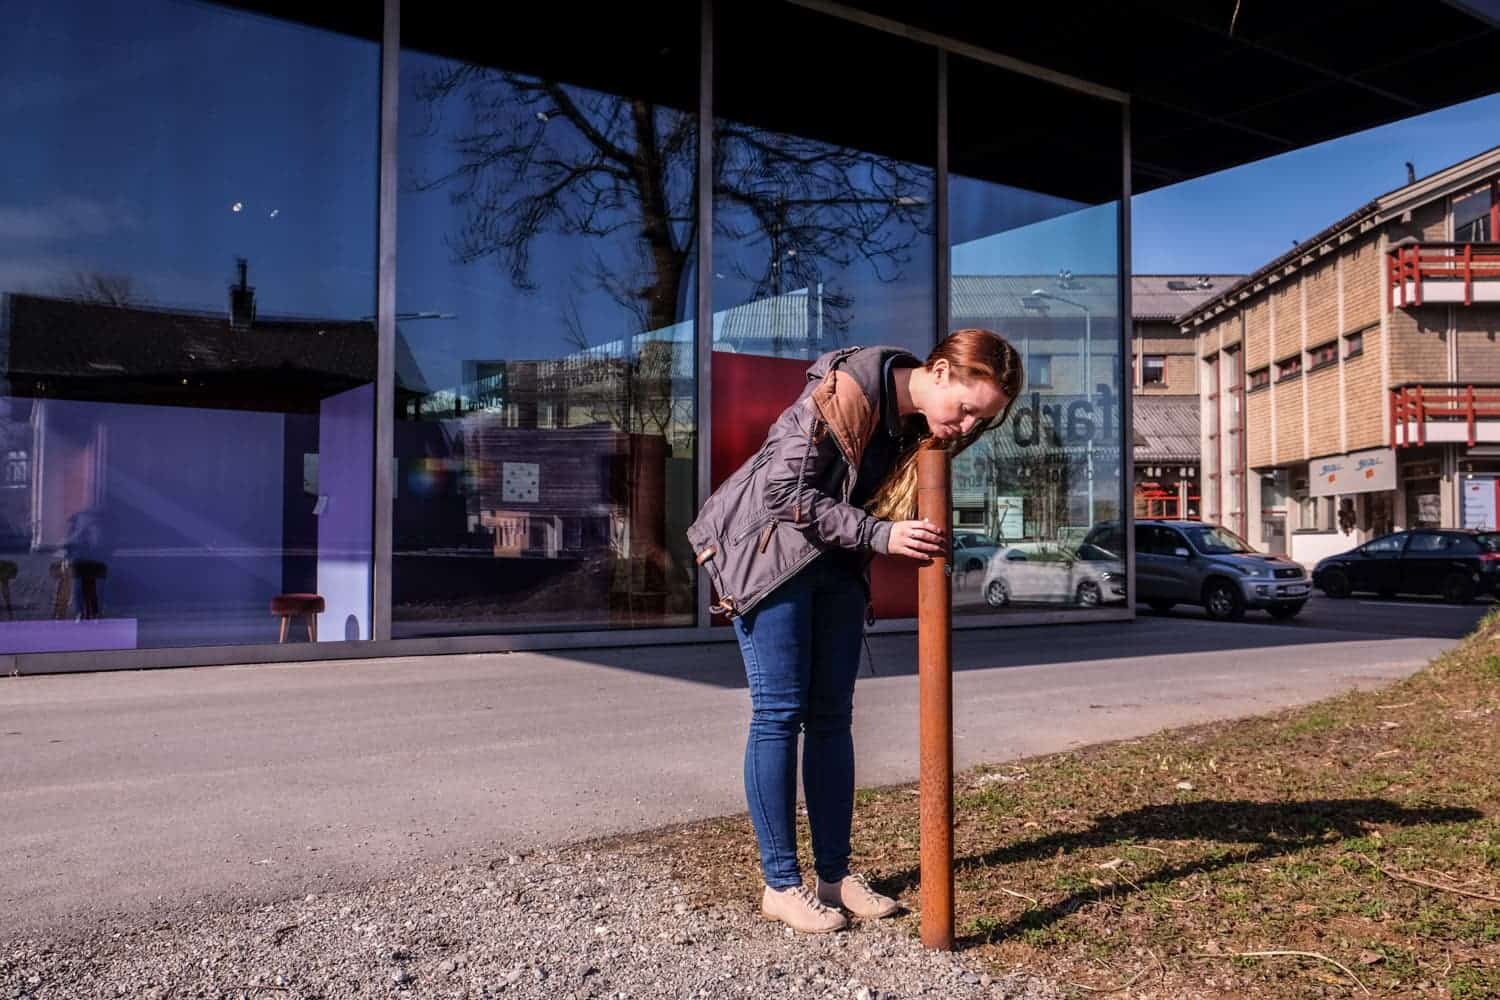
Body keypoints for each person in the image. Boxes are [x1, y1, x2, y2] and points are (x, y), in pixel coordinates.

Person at [687, 329, 1023, 934]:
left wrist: (880, 534)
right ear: (940, 371)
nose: (969, 426)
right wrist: (880, 535)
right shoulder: (847, 389)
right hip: (772, 560)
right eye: (968, 409)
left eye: (983, 420)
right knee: (778, 714)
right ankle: (781, 884)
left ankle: (833, 876)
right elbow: (782, 490)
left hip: (836, 567)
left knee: (833, 717)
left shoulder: (919, 426)